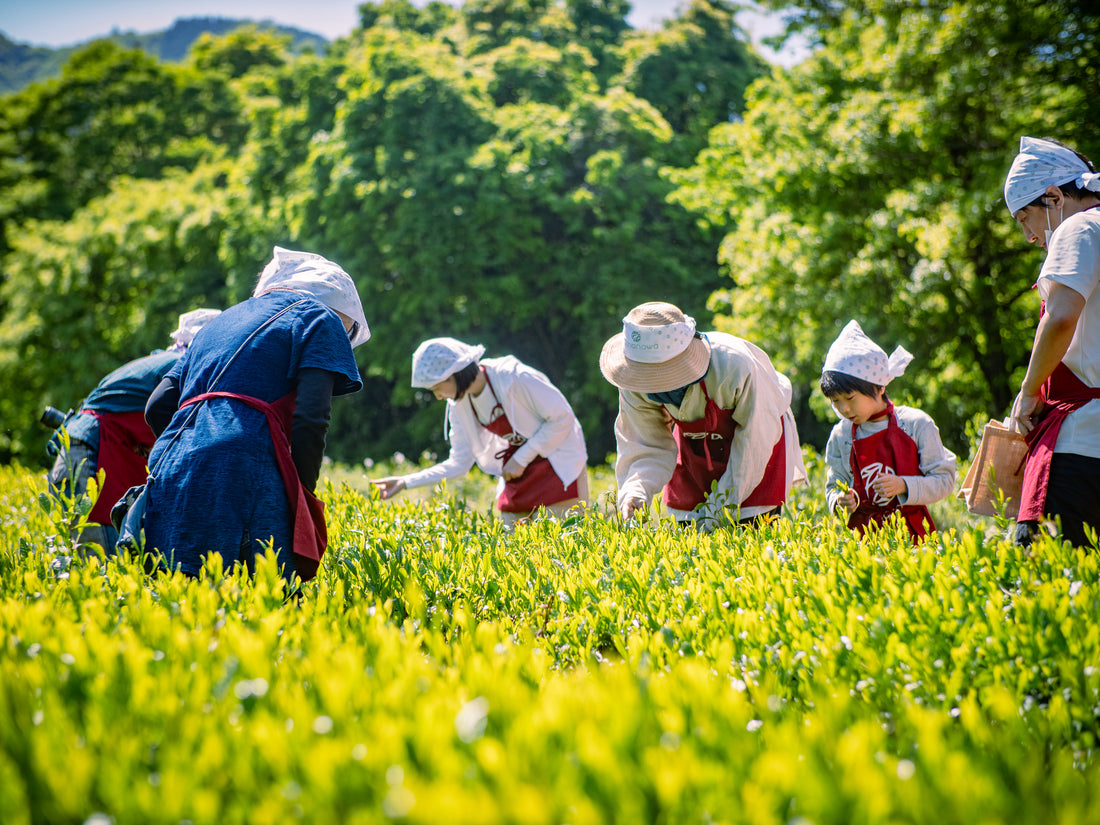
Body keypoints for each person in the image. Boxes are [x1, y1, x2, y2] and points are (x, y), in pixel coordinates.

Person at [141, 247, 369, 582]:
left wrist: (198, 448)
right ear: (339, 307)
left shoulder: (217, 324)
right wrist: (302, 492)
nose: (345, 338)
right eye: (349, 330)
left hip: (174, 466)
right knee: (271, 605)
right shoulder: (321, 318)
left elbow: (157, 406)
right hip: (246, 463)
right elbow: (311, 416)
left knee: (181, 601)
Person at [600, 301, 806, 530]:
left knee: (749, 528)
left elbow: (754, 443)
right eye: (645, 375)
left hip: (759, 440)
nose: (651, 383)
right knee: (689, 534)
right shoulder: (633, 381)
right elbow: (644, 444)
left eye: (659, 374)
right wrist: (636, 492)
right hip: (694, 446)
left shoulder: (734, 367)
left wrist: (716, 511)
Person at [45, 308, 222, 552]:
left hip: (78, 455)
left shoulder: (154, 362)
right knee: (99, 570)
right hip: (88, 461)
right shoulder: (180, 366)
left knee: (89, 565)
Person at [372, 338, 588, 526]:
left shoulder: (515, 377)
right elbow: (459, 463)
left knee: (562, 549)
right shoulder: (459, 404)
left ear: (453, 374)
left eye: (437, 389)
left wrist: (522, 457)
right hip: (517, 474)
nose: (438, 397)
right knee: (514, 557)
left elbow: (562, 418)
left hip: (559, 469)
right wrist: (406, 482)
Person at [1003, 136, 1100, 547]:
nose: (1028, 235)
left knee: (1051, 586)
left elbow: (1061, 318)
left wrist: (1027, 393)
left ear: (1054, 197)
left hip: (1081, 444)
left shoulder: (1079, 226)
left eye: (1025, 218)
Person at [820, 320, 956, 541]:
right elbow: (834, 484)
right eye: (835, 401)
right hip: (863, 540)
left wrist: (903, 485)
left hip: (913, 535)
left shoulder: (916, 424)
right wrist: (839, 501)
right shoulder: (841, 435)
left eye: (850, 398)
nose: (843, 408)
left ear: (878, 386)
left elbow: (944, 480)